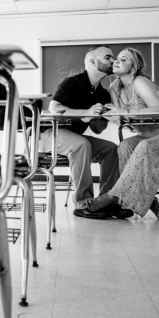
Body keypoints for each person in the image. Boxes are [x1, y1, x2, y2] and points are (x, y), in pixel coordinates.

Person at [85, 48, 159, 219]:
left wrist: (122, 110)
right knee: (125, 146)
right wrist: (108, 114)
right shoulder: (114, 88)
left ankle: (112, 196)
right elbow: (123, 118)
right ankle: (153, 204)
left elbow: (158, 109)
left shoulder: (139, 81)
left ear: (134, 66)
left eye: (123, 59)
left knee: (145, 146)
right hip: (147, 136)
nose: (116, 61)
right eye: (116, 58)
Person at [42, 45, 132, 218]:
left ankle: (105, 202)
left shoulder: (103, 94)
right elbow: (54, 108)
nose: (113, 61)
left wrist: (102, 116)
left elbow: (97, 130)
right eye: (108, 57)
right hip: (48, 134)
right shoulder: (72, 83)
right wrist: (87, 112)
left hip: (74, 137)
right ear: (92, 61)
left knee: (111, 149)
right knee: (81, 144)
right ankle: (83, 203)